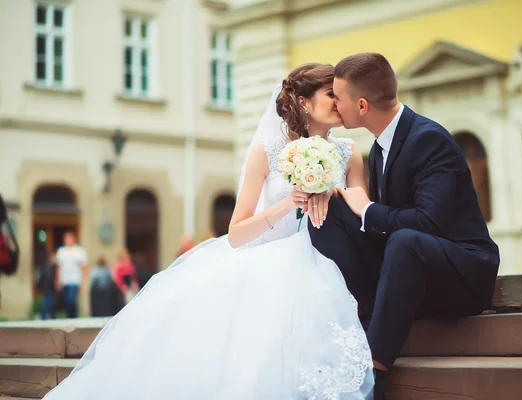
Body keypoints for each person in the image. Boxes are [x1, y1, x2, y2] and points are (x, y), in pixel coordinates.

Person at [43, 63, 374, 399]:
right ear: (304, 102)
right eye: (331, 94)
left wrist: (336, 192)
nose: (339, 101)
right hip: (271, 266)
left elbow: (362, 209)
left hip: (331, 267)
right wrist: (289, 202)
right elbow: (236, 234)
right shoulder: (269, 151)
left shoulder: (349, 154)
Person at [308, 53, 500, 399]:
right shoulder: (381, 146)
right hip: (410, 272)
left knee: (405, 240)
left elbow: (429, 222)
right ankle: (364, 317)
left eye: (338, 96)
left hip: (462, 272)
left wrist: (367, 209)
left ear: (362, 105)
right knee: (331, 209)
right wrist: (349, 206)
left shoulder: (429, 139)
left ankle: (373, 371)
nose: (334, 103)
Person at [55, 231, 88, 319]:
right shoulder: (61, 251)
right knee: (66, 300)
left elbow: (84, 266)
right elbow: (58, 267)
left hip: (75, 280)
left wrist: (84, 280)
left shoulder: (79, 251)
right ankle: (70, 317)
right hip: (65, 280)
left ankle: (74, 316)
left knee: (71, 299)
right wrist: (57, 280)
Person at [36, 251, 58, 320]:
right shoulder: (49, 267)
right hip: (49, 288)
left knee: (51, 302)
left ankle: (52, 316)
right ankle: (44, 316)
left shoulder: (51, 266)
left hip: (49, 288)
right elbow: (48, 278)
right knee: (48, 302)